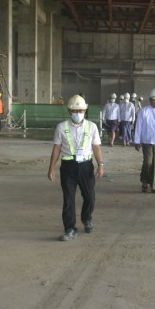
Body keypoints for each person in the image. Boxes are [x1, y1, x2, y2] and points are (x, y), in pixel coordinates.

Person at [47, 95, 105, 242]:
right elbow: (56, 148)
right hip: (68, 167)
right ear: (69, 111)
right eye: (75, 111)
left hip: (86, 166)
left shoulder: (92, 127)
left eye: (81, 111)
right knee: (68, 199)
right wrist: (51, 168)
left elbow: (96, 147)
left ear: (85, 111)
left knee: (90, 197)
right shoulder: (61, 127)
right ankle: (70, 228)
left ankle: (86, 218)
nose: (78, 113)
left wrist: (100, 165)